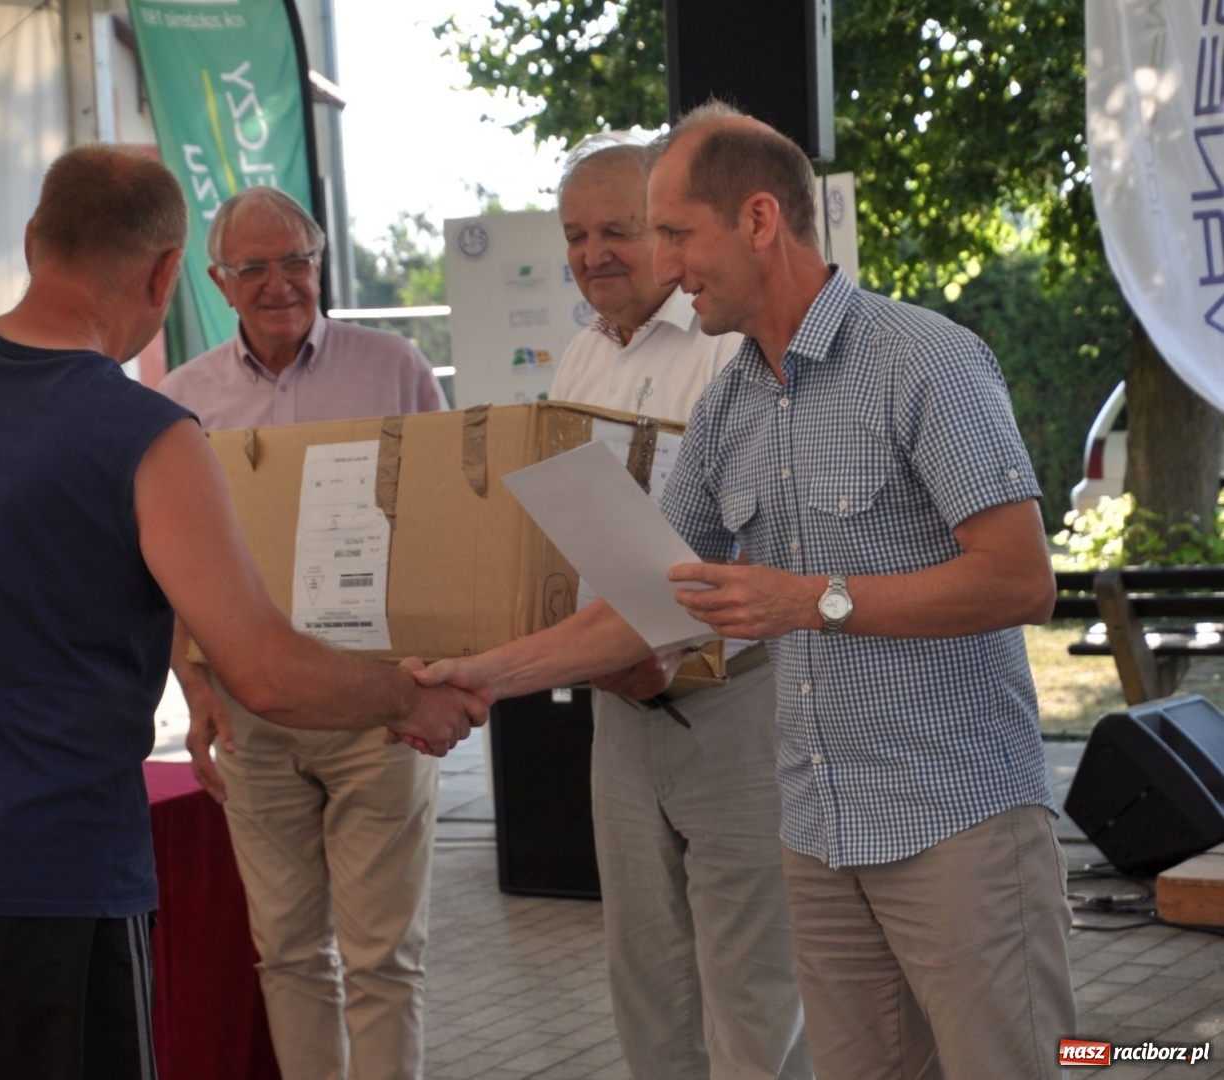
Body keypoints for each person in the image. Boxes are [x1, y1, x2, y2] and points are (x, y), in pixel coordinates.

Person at [0, 146, 484, 1080]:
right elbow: (263, 669)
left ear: (33, 242)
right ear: (167, 272)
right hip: (48, 865)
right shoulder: (146, 432)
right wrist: (406, 698)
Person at [414, 102, 1074, 1079]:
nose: (667, 264)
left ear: (759, 220)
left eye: (676, 233)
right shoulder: (731, 401)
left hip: (955, 822)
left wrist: (814, 602)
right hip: (816, 832)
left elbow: (1021, 581)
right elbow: (654, 599)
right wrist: (479, 676)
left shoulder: (924, 359)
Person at [158, 186, 448, 1080]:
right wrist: (197, 693)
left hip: (372, 701)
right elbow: (164, 569)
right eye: (255, 268)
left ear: (319, 263)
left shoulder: (393, 366)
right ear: (217, 281)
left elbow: (445, 525)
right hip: (251, 713)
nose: (281, 283)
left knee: (382, 957)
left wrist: (435, 680)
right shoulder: (179, 399)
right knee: (285, 953)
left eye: (298, 260)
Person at [545, 134, 808, 1079]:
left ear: (665, 233)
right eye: (575, 234)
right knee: (644, 982)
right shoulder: (577, 357)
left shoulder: (729, 347)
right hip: (618, 705)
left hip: (734, 701)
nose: (593, 253)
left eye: (618, 229)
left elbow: (758, 545)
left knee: (753, 991)